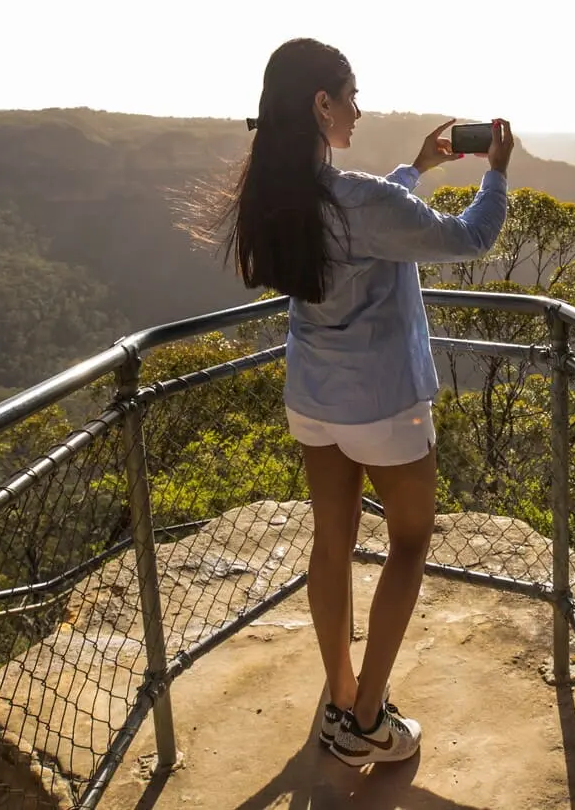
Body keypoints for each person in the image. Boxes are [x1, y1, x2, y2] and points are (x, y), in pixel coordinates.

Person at [217, 37, 513, 766]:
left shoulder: (278, 197)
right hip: (383, 404)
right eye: (350, 93)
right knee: (409, 540)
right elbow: (470, 237)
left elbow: (362, 212)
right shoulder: (360, 201)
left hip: (313, 400)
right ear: (322, 104)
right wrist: (496, 173)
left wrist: (416, 166)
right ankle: (368, 715)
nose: (358, 106)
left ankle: (339, 696)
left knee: (331, 544)